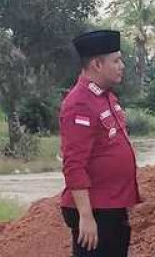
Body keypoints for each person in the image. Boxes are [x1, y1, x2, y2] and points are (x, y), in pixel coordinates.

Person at [60, 30, 140, 256]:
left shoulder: (106, 97)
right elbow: (74, 164)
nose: (121, 65)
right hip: (95, 210)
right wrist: (86, 216)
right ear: (97, 64)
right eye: (116, 60)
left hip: (111, 205)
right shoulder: (79, 104)